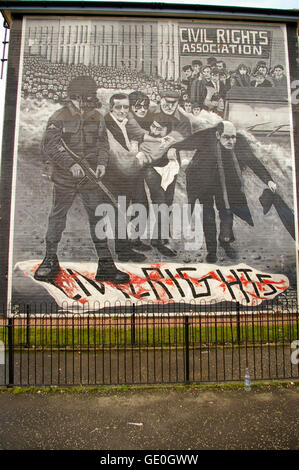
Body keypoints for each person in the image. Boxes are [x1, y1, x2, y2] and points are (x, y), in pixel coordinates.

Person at [34, 76, 130, 284]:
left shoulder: (97, 116)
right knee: (57, 217)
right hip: (65, 178)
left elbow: (103, 143)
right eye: (86, 98)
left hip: (90, 179)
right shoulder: (59, 117)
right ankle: (50, 259)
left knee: (97, 219)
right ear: (75, 97)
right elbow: (50, 146)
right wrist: (70, 164)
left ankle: (105, 264)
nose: (90, 102)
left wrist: (102, 163)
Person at [179, 121, 277, 263]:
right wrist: (170, 149)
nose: (231, 141)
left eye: (233, 137)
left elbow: (253, 161)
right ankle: (211, 251)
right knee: (208, 215)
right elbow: (184, 143)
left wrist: (268, 180)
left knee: (226, 212)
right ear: (218, 135)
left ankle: (225, 241)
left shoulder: (240, 144)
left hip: (225, 183)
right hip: (202, 181)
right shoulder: (207, 139)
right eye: (226, 137)